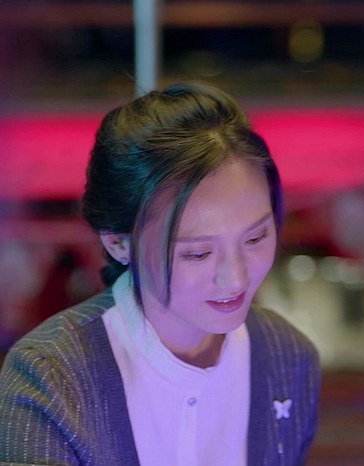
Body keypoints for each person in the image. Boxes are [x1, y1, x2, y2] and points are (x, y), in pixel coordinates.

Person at [0, 82, 320, 465]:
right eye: (198, 253)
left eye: (255, 238)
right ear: (119, 243)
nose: (235, 278)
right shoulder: (52, 374)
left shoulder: (286, 357)